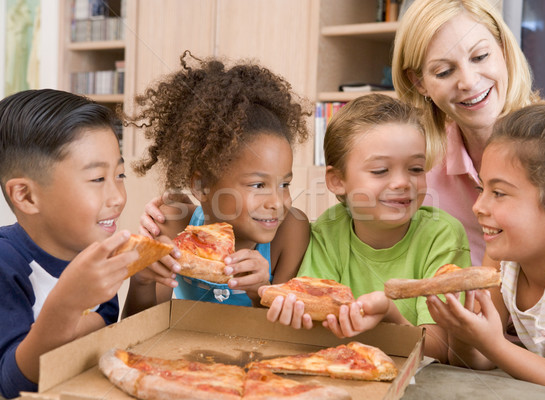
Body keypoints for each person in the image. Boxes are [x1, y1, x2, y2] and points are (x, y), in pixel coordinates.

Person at [262, 94, 471, 362]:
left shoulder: (442, 236)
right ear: (337, 180)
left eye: (416, 168)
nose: (401, 182)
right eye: (381, 170)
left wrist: (389, 315)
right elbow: (314, 325)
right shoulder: (329, 229)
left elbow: (439, 351)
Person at [426, 102, 545, 399]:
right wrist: (466, 333)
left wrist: (495, 344)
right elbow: (478, 361)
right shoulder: (501, 255)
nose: (478, 207)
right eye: (482, 189)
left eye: (499, 193)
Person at [123, 52, 312, 316]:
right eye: (258, 185)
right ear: (201, 186)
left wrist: (262, 291)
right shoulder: (174, 224)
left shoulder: (291, 231)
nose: (277, 202)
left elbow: (283, 340)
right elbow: (139, 330)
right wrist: (140, 279)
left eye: (285, 184)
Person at [0, 89, 139, 398]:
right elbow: (12, 385)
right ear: (26, 196)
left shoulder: (95, 252)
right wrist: (68, 304)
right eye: (97, 179)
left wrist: (141, 280)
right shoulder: (5, 264)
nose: (118, 197)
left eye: (120, 174)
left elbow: (110, 333)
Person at [392, 0, 541, 265]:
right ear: (419, 82)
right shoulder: (422, 170)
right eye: (444, 71)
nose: (469, 82)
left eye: (480, 57)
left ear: (503, 49)